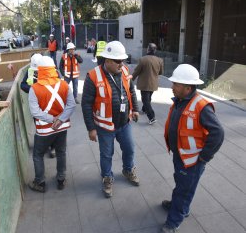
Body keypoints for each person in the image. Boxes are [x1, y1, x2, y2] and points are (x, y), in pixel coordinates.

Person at [161, 64, 224, 233]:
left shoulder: (201, 106)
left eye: (176, 84)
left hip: (192, 160)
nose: (172, 87)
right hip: (181, 155)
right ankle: (180, 207)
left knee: (184, 190)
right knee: (182, 185)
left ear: (188, 88)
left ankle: (174, 221)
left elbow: (218, 133)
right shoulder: (180, 100)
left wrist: (204, 157)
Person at [81, 41, 140, 198]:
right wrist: (91, 128)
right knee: (106, 154)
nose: (122, 64)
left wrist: (135, 109)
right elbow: (86, 104)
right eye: (118, 61)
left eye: (123, 60)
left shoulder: (125, 71)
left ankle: (128, 169)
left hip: (124, 123)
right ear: (107, 61)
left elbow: (131, 91)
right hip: (105, 126)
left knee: (130, 149)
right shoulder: (93, 76)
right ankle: (107, 177)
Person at [28, 56, 76, 192]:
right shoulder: (64, 84)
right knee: (61, 152)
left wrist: (51, 119)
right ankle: (61, 179)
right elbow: (71, 105)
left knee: (38, 155)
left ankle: (40, 182)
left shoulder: (35, 89)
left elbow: (35, 112)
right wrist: (59, 120)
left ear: (40, 71)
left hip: (44, 130)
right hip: (62, 127)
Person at [20, 53, 57, 158]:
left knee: (51, 125)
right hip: (36, 105)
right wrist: (33, 89)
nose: (36, 71)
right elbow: (22, 85)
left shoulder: (49, 71)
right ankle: (44, 146)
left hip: (49, 104)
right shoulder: (30, 72)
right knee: (39, 125)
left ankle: (53, 147)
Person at [132, 43, 164, 125]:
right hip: (153, 83)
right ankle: (144, 109)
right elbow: (161, 72)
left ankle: (152, 117)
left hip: (144, 84)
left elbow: (137, 71)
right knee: (148, 98)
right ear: (155, 50)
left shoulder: (143, 59)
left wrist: (131, 79)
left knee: (145, 100)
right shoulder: (160, 60)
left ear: (148, 49)